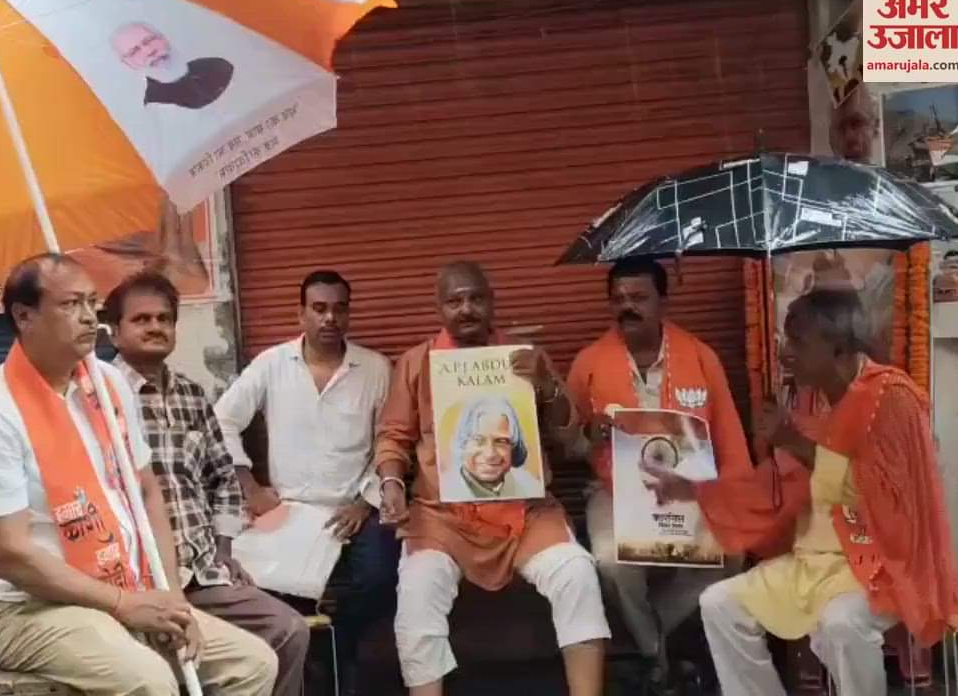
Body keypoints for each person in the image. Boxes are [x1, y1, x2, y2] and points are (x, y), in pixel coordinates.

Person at [0, 254, 277, 696]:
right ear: (24, 316)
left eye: (91, 302)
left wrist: (172, 599)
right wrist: (125, 605)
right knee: (151, 683)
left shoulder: (106, 384)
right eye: (70, 305)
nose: (88, 317)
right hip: (31, 609)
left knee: (253, 665)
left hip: (131, 584)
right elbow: (10, 554)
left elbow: (146, 490)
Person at [650, 289, 958, 696]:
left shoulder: (891, 397)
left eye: (797, 341)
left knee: (841, 623)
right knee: (720, 603)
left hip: (882, 563)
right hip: (815, 566)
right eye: (782, 339)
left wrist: (794, 441)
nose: (783, 352)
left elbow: (886, 493)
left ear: (838, 347)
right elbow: (774, 491)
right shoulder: (816, 407)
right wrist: (694, 490)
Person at [375, 261, 610, 696]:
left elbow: (568, 429)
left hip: (523, 512)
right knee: (417, 592)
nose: (466, 309)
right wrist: (391, 485)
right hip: (442, 518)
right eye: (454, 300)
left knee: (577, 573)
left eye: (475, 298)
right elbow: (393, 438)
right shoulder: (415, 363)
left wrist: (546, 385)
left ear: (491, 302)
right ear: (439, 308)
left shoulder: (524, 355)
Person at [106, 270, 308, 696]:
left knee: (288, 630)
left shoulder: (192, 396)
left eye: (164, 319)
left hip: (203, 571)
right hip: (140, 578)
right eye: (142, 319)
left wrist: (224, 549)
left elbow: (222, 479)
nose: (155, 327)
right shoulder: (101, 398)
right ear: (115, 331)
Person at [564, 257, 752, 692]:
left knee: (733, 552)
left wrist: (740, 501)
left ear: (663, 300)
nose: (627, 307)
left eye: (639, 297)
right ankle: (657, 652)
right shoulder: (590, 362)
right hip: (614, 488)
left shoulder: (700, 357)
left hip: (692, 488)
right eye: (618, 299)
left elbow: (727, 434)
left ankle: (656, 646)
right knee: (611, 561)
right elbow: (569, 442)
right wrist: (589, 433)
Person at [215, 270, 399, 696]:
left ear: (349, 314)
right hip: (289, 510)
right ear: (301, 314)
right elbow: (220, 420)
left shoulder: (374, 368)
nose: (329, 318)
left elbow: (389, 442)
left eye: (339, 308)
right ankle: (312, 667)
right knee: (249, 580)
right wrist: (250, 486)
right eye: (319, 308)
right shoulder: (272, 364)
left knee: (382, 574)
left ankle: (341, 644)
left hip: (351, 510)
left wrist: (365, 503)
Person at [440, 395, 544, 501]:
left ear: (513, 446)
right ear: (462, 444)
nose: (490, 454)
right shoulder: (443, 489)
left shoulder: (530, 486)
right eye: (478, 440)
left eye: (501, 441)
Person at [111, 22, 234, 110]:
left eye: (149, 40)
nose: (149, 51)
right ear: (129, 64)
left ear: (164, 39)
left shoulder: (217, 66)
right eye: (134, 52)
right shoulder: (156, 106)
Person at [827, 85, 879, 163]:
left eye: (856, 123)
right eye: (841, 127)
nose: (848, 136)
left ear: (875, 126)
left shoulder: (889, 174)